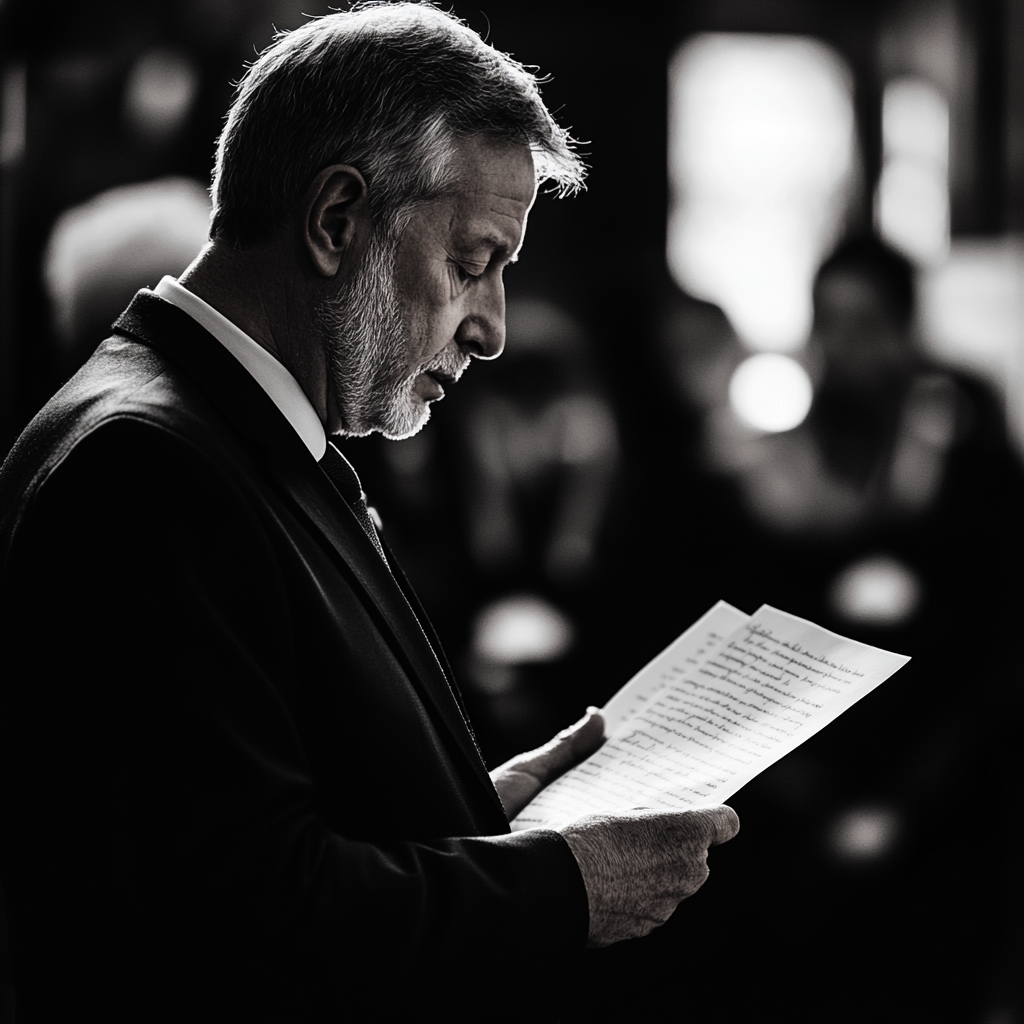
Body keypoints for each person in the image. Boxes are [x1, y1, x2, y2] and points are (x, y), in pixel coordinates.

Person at [0, 5, 739, 1021]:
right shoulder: (148, 468)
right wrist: (565, 886)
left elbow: (258, 806)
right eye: (472, 263)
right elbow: (239, 918)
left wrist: (482, 808)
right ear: (337, 220)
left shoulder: (230, 433)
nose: (491, 330)